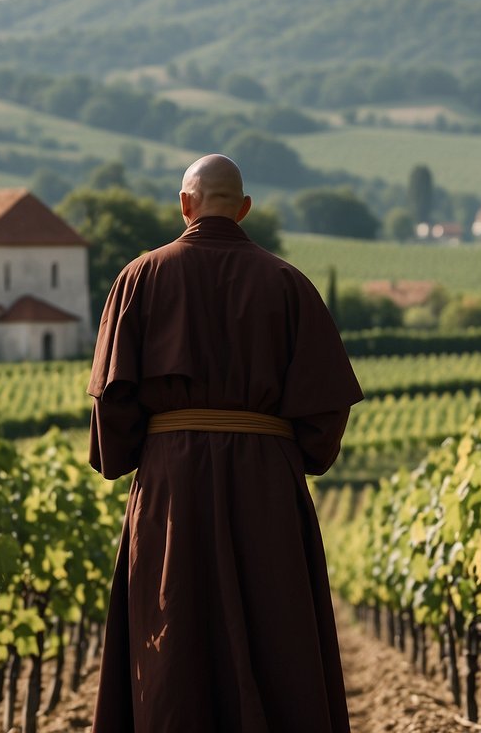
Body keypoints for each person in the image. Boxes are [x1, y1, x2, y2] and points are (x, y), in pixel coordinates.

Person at [87, 154, 363, 732]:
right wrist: (288, 456)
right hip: (265, 483)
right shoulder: (289, 284)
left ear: (184, 204)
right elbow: (325, 411)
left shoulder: (138, 277)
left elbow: (111, 405)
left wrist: (150, 452)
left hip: (171, 484)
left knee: (172, 642)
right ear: (244, 209)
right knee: (275, 636)